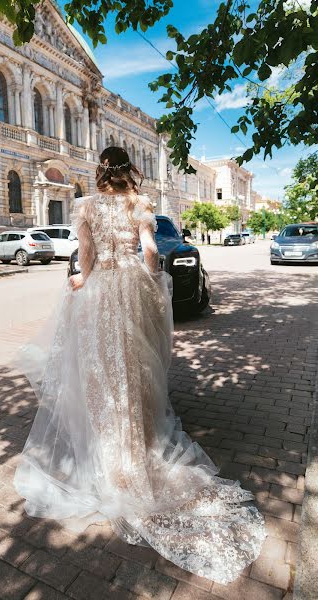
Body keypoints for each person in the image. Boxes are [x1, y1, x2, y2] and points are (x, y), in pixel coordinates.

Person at [14, 146, 266, 584]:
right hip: (130, 288)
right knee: (133, 367)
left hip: (99, 293)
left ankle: (107, 448)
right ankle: (137, 441)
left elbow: (86, 257)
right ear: (129, 171)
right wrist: (152, 280)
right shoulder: (140, 204)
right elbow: (151, 252)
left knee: (98, 369)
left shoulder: (86, 205)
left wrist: (80, 279)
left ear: (99, 172)